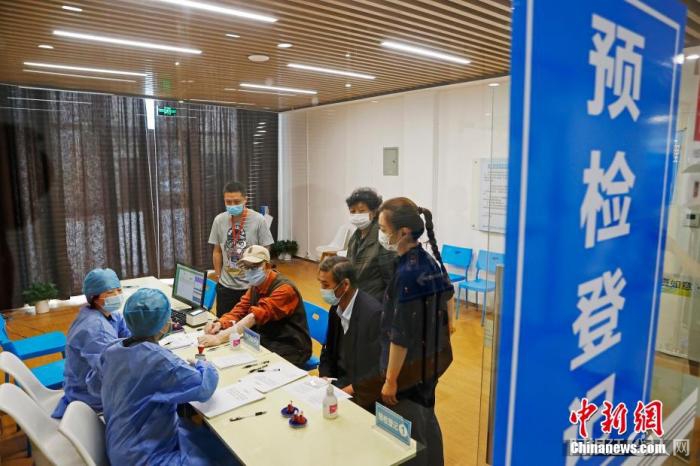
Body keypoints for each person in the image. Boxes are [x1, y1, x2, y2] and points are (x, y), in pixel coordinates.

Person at [92, 288, 231, 466]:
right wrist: (202, 364)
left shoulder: (113, 349)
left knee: (204, 439)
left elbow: (94, 383)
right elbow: (204, 387)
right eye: (168, 317)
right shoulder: (158, 361)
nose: (171, 321)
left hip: (122, 444)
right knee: (224, 456)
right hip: (144, 457)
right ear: (163, 325)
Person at [377, 197, 455, 466]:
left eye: (383, 229)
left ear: (403, 232)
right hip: (429, 359)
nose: (381, 235)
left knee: (410, 431)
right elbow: (448, 295)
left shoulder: (408, 273)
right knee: (426, 418)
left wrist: (391, 380)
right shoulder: (425, 259)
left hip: (410, 368)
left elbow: (400, 335)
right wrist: (448, 326)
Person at [199, 245, 312, 367]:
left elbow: (253, 317)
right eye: (246, 267)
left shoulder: (285, 289)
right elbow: (240, 310)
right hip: (266, 339)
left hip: (290, 346)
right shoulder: (256, 286)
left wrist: (220, 338)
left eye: (254, 267)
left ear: (267, 266)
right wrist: (220, 323)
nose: (249, 271)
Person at [52, 268, 130, 418]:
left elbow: (127, 334)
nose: (117, 295)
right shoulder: (97, 330)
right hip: (90, 398)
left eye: (119, 290)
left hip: (78, 384)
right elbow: (111, 374)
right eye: (110, 292)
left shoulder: (103, 313)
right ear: (94, 297)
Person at [317, 256, 382, 411]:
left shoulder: (373, 315)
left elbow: (378, 370)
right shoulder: (335, 308)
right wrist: (325, 377)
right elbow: (327, 350)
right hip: (338, 383)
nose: (322, 290)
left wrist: (349, 390)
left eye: (326, 285)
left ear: (345, 285)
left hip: (361, 390)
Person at [209, 181, 274, 317]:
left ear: (245, 199)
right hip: (226, 287)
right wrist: (218, 276)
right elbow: (217, 251)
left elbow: (265, 253)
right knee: (224, 323)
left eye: (237, 201)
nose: (232, 205)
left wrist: (259, 280)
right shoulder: (219, 220)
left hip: (251, 287)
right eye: (228, 202)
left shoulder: (258, 220)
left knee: (250, 327)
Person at [345, 188, 396, 302]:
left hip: (376, 302)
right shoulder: (355, 237)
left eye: (361, 211)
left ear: (373, 212)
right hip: (358, 299)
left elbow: (391, 280)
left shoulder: (382, 239)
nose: (356, 215)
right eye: (352, 211)